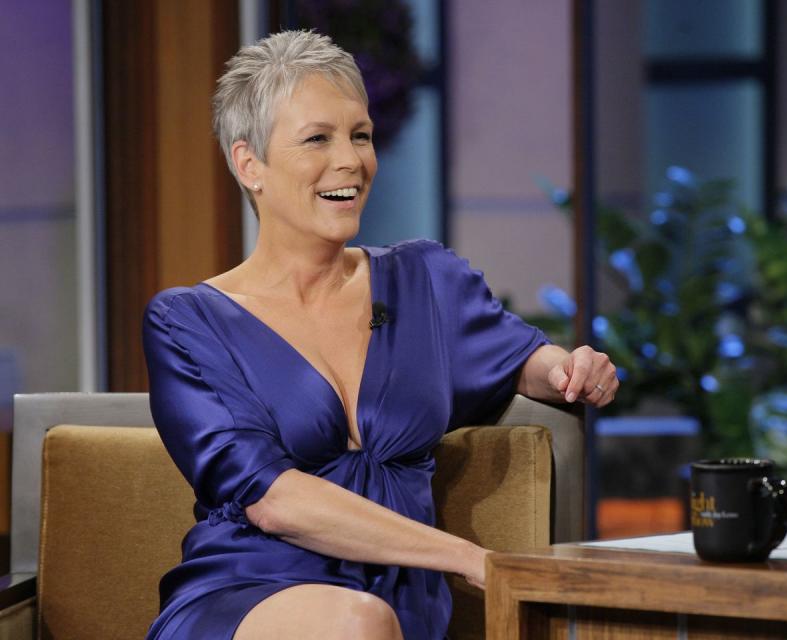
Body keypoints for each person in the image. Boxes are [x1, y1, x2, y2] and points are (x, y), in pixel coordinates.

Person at [142, 30, 618, 640]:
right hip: (249, 597)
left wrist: (570, 369)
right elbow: (271, 498)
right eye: (318, 138)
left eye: (360, 135)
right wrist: (470, 557)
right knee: (357, 624)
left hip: (396, 606)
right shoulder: (188, 321)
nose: (351, 161)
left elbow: (524, 359)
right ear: (248, 163)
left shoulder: (425, 280)